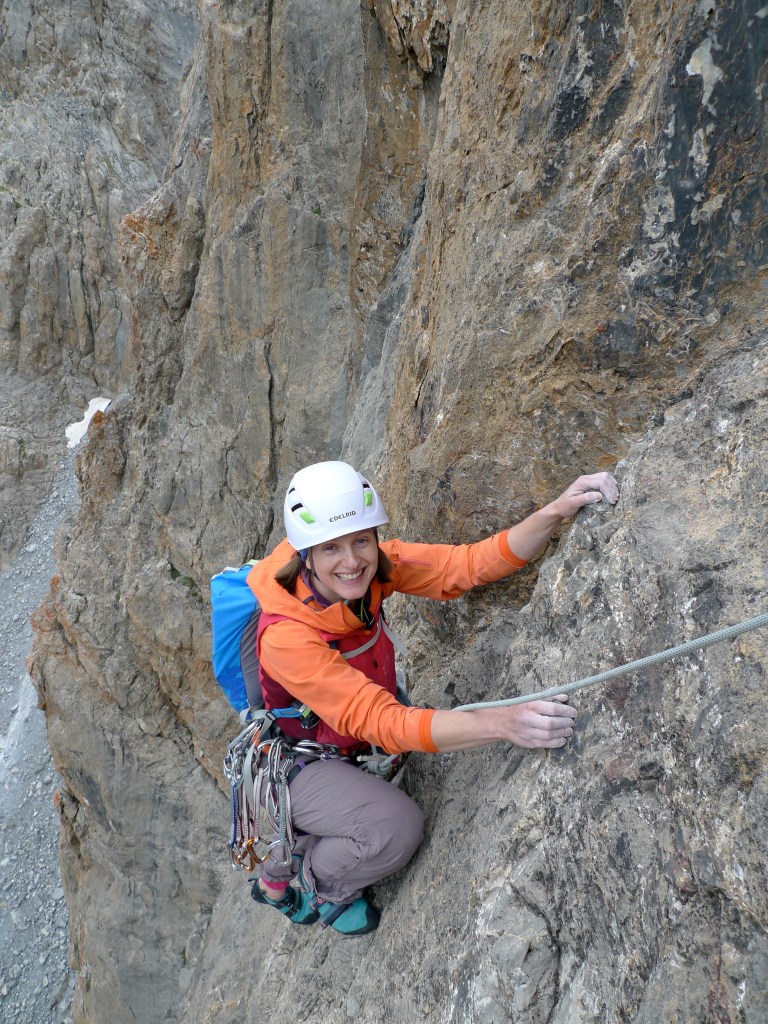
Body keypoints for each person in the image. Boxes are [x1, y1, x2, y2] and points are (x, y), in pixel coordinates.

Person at [246, 460, 619, 936]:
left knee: (383, 790)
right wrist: (503, 723)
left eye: (361, 539)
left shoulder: (373, 569)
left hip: (345, 744)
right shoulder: (287, 637)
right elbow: (382, 721)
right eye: (331, 548)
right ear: (306, 556)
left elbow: (465, 565)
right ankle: (311, 880)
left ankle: (305, 843)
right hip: (303, 761)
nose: (351, 560)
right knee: (396, 828)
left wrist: (554, 512)